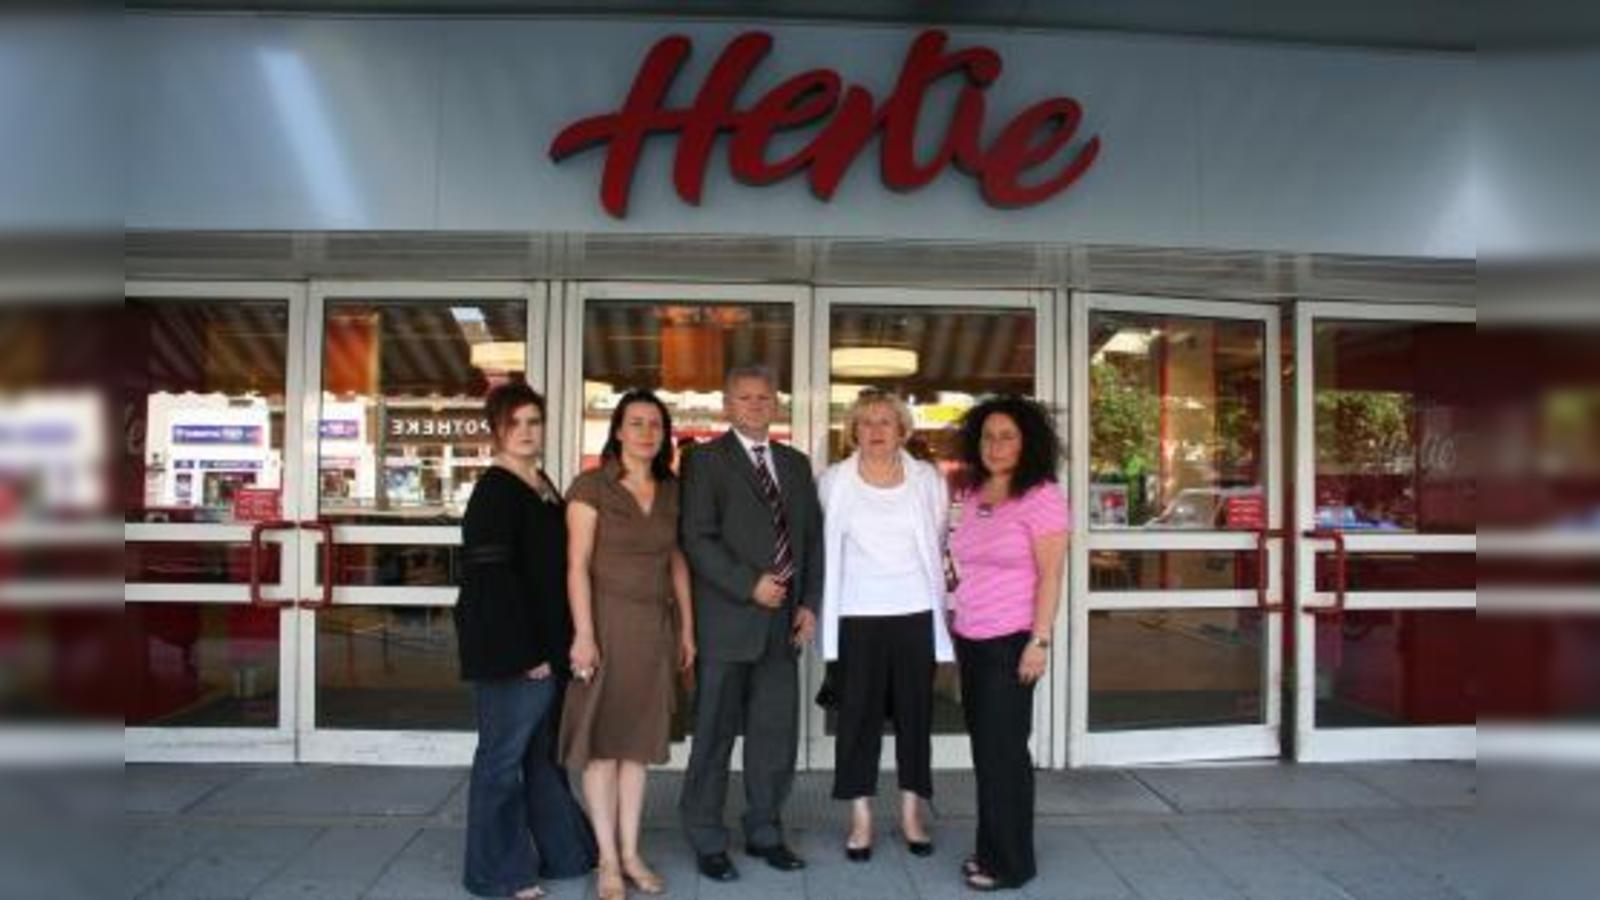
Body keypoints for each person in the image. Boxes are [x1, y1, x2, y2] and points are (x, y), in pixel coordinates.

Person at [678, 364, 823, 882]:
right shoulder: (704, 461)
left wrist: (809, 602)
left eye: (764, 397)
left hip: (783, 625)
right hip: (727, 622)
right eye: (745, 397)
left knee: (774, 736)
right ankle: (707, 837)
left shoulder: (796, 464)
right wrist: (748, 585)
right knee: (714, 736)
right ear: (727, 405)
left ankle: (765, 831)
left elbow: (811, 539)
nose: (756, 405)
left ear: (777, 405)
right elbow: (697, 537)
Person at [454, 381, 596, 900]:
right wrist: (525, 654)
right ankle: (496, 873)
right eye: (514, 423)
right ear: (495, 430)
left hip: (547, 648)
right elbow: (491, 582)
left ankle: (567, 854)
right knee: (502, 761)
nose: (526, 431)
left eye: (534, 421)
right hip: (513, 652)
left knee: (541, 758)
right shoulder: (495, 490)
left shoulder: (540, 483)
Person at [560, 389, 696, 900]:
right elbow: (576, 565)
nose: (646, 433)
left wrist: (687, 628)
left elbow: (676, 560)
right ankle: (608, 861)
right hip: (604, 625)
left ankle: (632, 853)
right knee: (602, 748)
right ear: (618, 430)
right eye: (636, 423)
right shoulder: (591, 486)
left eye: (655, 425)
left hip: (654, 628)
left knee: (636, 748)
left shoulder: (672, 489)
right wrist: (584, 634)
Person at [816, 389, 953, 862]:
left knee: (916, 716)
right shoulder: (833, 480)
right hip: (856, 613)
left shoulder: (928, 480)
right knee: (858, 719)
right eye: (866, 422)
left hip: (915, 611)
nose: (875, 430)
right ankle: (861, 819)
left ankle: (913, 814)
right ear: (853, 431)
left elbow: (938, 537)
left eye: (885, 422)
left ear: (903, 430)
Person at [947, 396, 1069, 892]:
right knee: (988, 752)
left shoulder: (1041, 496)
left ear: (1027, 443)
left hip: (1013, 641)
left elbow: (1051, 575)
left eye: (1007, 437)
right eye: (988, 436)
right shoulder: (973, 491)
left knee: (1004, 755)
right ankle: (991, 849)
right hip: (971, 637)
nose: (995, 446)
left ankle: (1011, 864)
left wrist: (1039, 641)